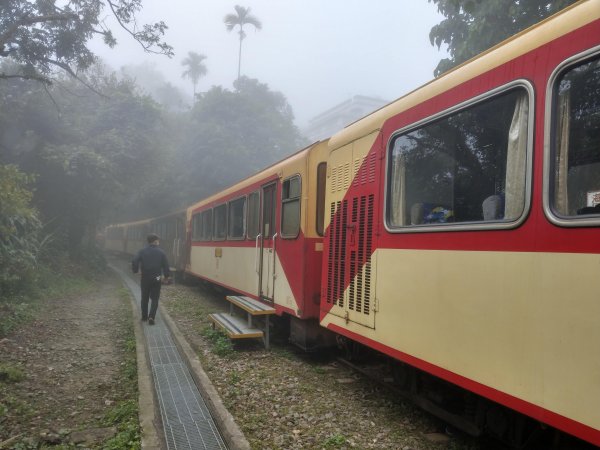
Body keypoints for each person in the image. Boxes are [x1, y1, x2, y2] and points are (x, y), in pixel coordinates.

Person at [131, 233, 171, 325]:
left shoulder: (142, 251)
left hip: (145, 277)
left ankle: (144, 317)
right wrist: (166, 276)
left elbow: (134, 260)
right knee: (155, 298)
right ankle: (151, 316)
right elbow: (166, 265)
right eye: (158, 240)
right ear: (156, 241)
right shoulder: (161, 252)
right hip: (156, 277)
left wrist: (135, 270)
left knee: (144, 298)